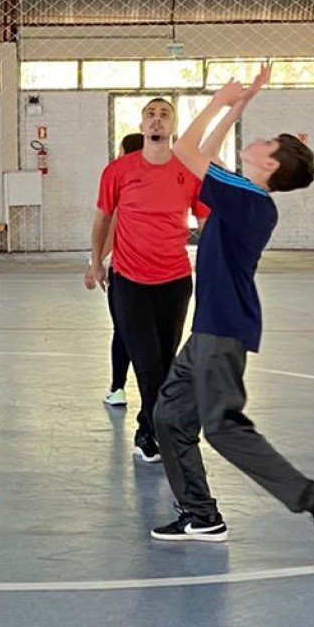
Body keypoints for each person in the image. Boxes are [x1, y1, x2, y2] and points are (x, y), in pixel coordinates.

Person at [149, 65, 314, 564]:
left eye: (264, 140)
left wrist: (219, 100)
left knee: (223, 427)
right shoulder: (246, 196)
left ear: (272, 162)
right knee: (169, 417)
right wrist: (239, 106)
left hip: (223, 332)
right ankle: (200, 513)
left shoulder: (247, 200)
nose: (254, 139)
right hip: (208, 331)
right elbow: (207, 154)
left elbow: (187, 153)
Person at [87, 101, 205, 463]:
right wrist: (96, 264)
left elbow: (206, 222)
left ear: (173, 125)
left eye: (164, 114)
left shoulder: (190, 172)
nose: (157, 119)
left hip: (174, 281)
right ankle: (158, 432)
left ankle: (148, 428)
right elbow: (103, 219)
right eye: (151, 114)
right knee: (148, 362)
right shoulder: (118, 171)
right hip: (129, 280)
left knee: (166, 361)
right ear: (141, 123)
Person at [101, 131, 143, 408]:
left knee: (124, 330)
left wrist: (97, 262)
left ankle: (118, 388)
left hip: (126, 271)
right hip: (158, 273)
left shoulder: (122, 180)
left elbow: (111, 223)